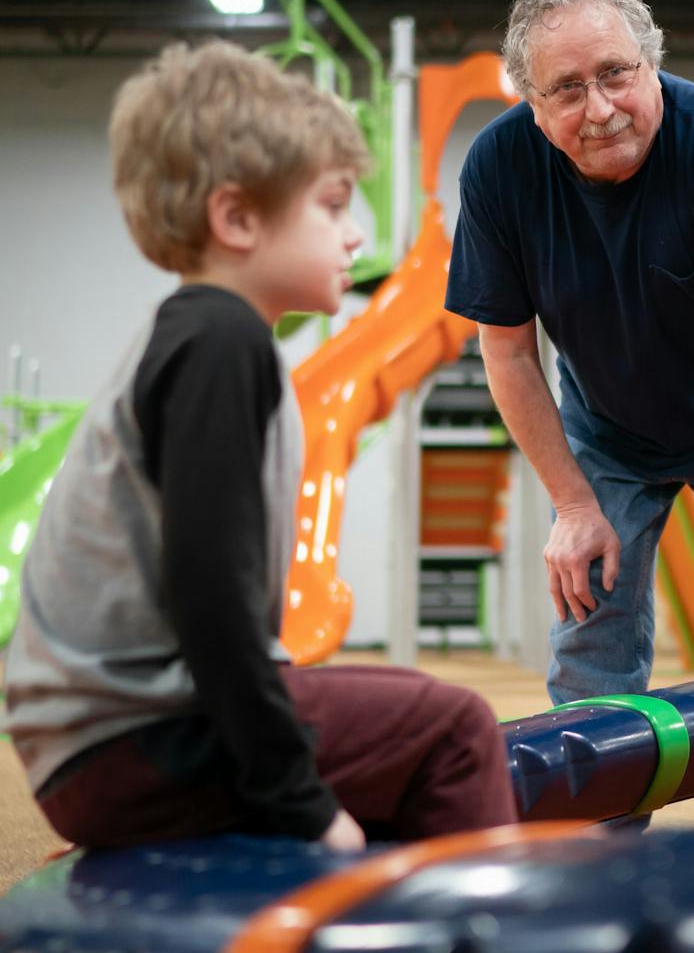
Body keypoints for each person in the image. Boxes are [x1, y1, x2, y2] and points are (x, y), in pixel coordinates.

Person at [3, 42, 517, 851]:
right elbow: (212, 600)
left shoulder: (204, 335)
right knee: (454, 725)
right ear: (237, 217)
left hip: (107, 740)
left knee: (395, 709)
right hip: (139, 738)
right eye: (335, 205)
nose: (354, 237)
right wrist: (301, 800)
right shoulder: (219, 342)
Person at [445, 0, 694, 815]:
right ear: (533, 107)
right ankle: (595, 838)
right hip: (609, 419)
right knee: (590, 613)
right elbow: (507, 354)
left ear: (654, 65)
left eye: (617, 74)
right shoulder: (501, 172)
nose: (601, 108)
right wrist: (571, 503)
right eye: (568, 90)